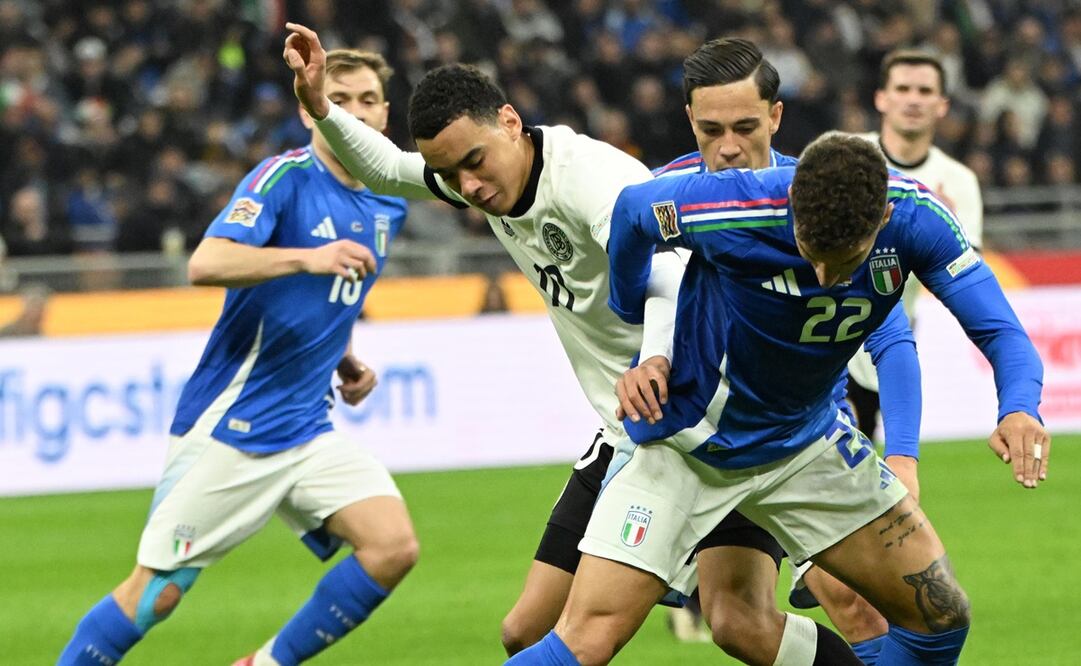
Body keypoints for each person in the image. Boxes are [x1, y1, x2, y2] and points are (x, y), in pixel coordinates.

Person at [286, 26, 882, 664]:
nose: (469, 188)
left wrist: (653, 357)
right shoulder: (479, 173)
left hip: (706, 411)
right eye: (450, 174)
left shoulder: (590, 179)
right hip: (626, 427)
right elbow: (382, 166)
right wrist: (320, 104)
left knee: (778, 614)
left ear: (510, 122)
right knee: (529, 631)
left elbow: (671, 266)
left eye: (475, 164)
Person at [509, 133, 1047, 666]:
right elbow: (632, 210)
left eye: (844, 261)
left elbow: (1000, 330)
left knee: (940, 619)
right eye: (813, 253)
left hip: (805, 442)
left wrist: (1019, 406)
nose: (825, 277)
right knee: (585, 641)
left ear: (881, 219)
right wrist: (633, 312)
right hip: (690, 447)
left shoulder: (916, 219)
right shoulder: (731, 204)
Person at [57, 50, 416, 666]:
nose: (355, 112)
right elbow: (208, 262)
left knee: (391, 547)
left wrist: (343, 358)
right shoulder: (282, 178)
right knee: (159, 593)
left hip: (306, 425)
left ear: (385, 116)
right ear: (312, 110)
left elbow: (327, 298)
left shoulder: (388, 203)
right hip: (234, 422)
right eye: (342, 98)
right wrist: (305, 256)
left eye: (368, 100)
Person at [636, 38, 924, 665]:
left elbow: (891, 331)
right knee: (734, 623)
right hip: (699, 443)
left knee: (856, 601)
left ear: (775, 116)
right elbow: (628, 302)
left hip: (802, 434)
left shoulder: (813, 197)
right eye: (712, 128)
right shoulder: (660, 200)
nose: (730, 145)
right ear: (690, 119)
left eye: (745, 125)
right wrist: (644, 360)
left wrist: (903, 454)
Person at [791, 48, 990, 663]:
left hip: (887, 359)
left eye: (924, 89)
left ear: (941, 105)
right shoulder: (842, 160)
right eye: (900, 86)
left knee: (867, 557)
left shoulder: (955, 185)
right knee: (856, 574)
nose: (911, 97)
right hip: (823, 359)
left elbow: (955, 273)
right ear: (881, 98)